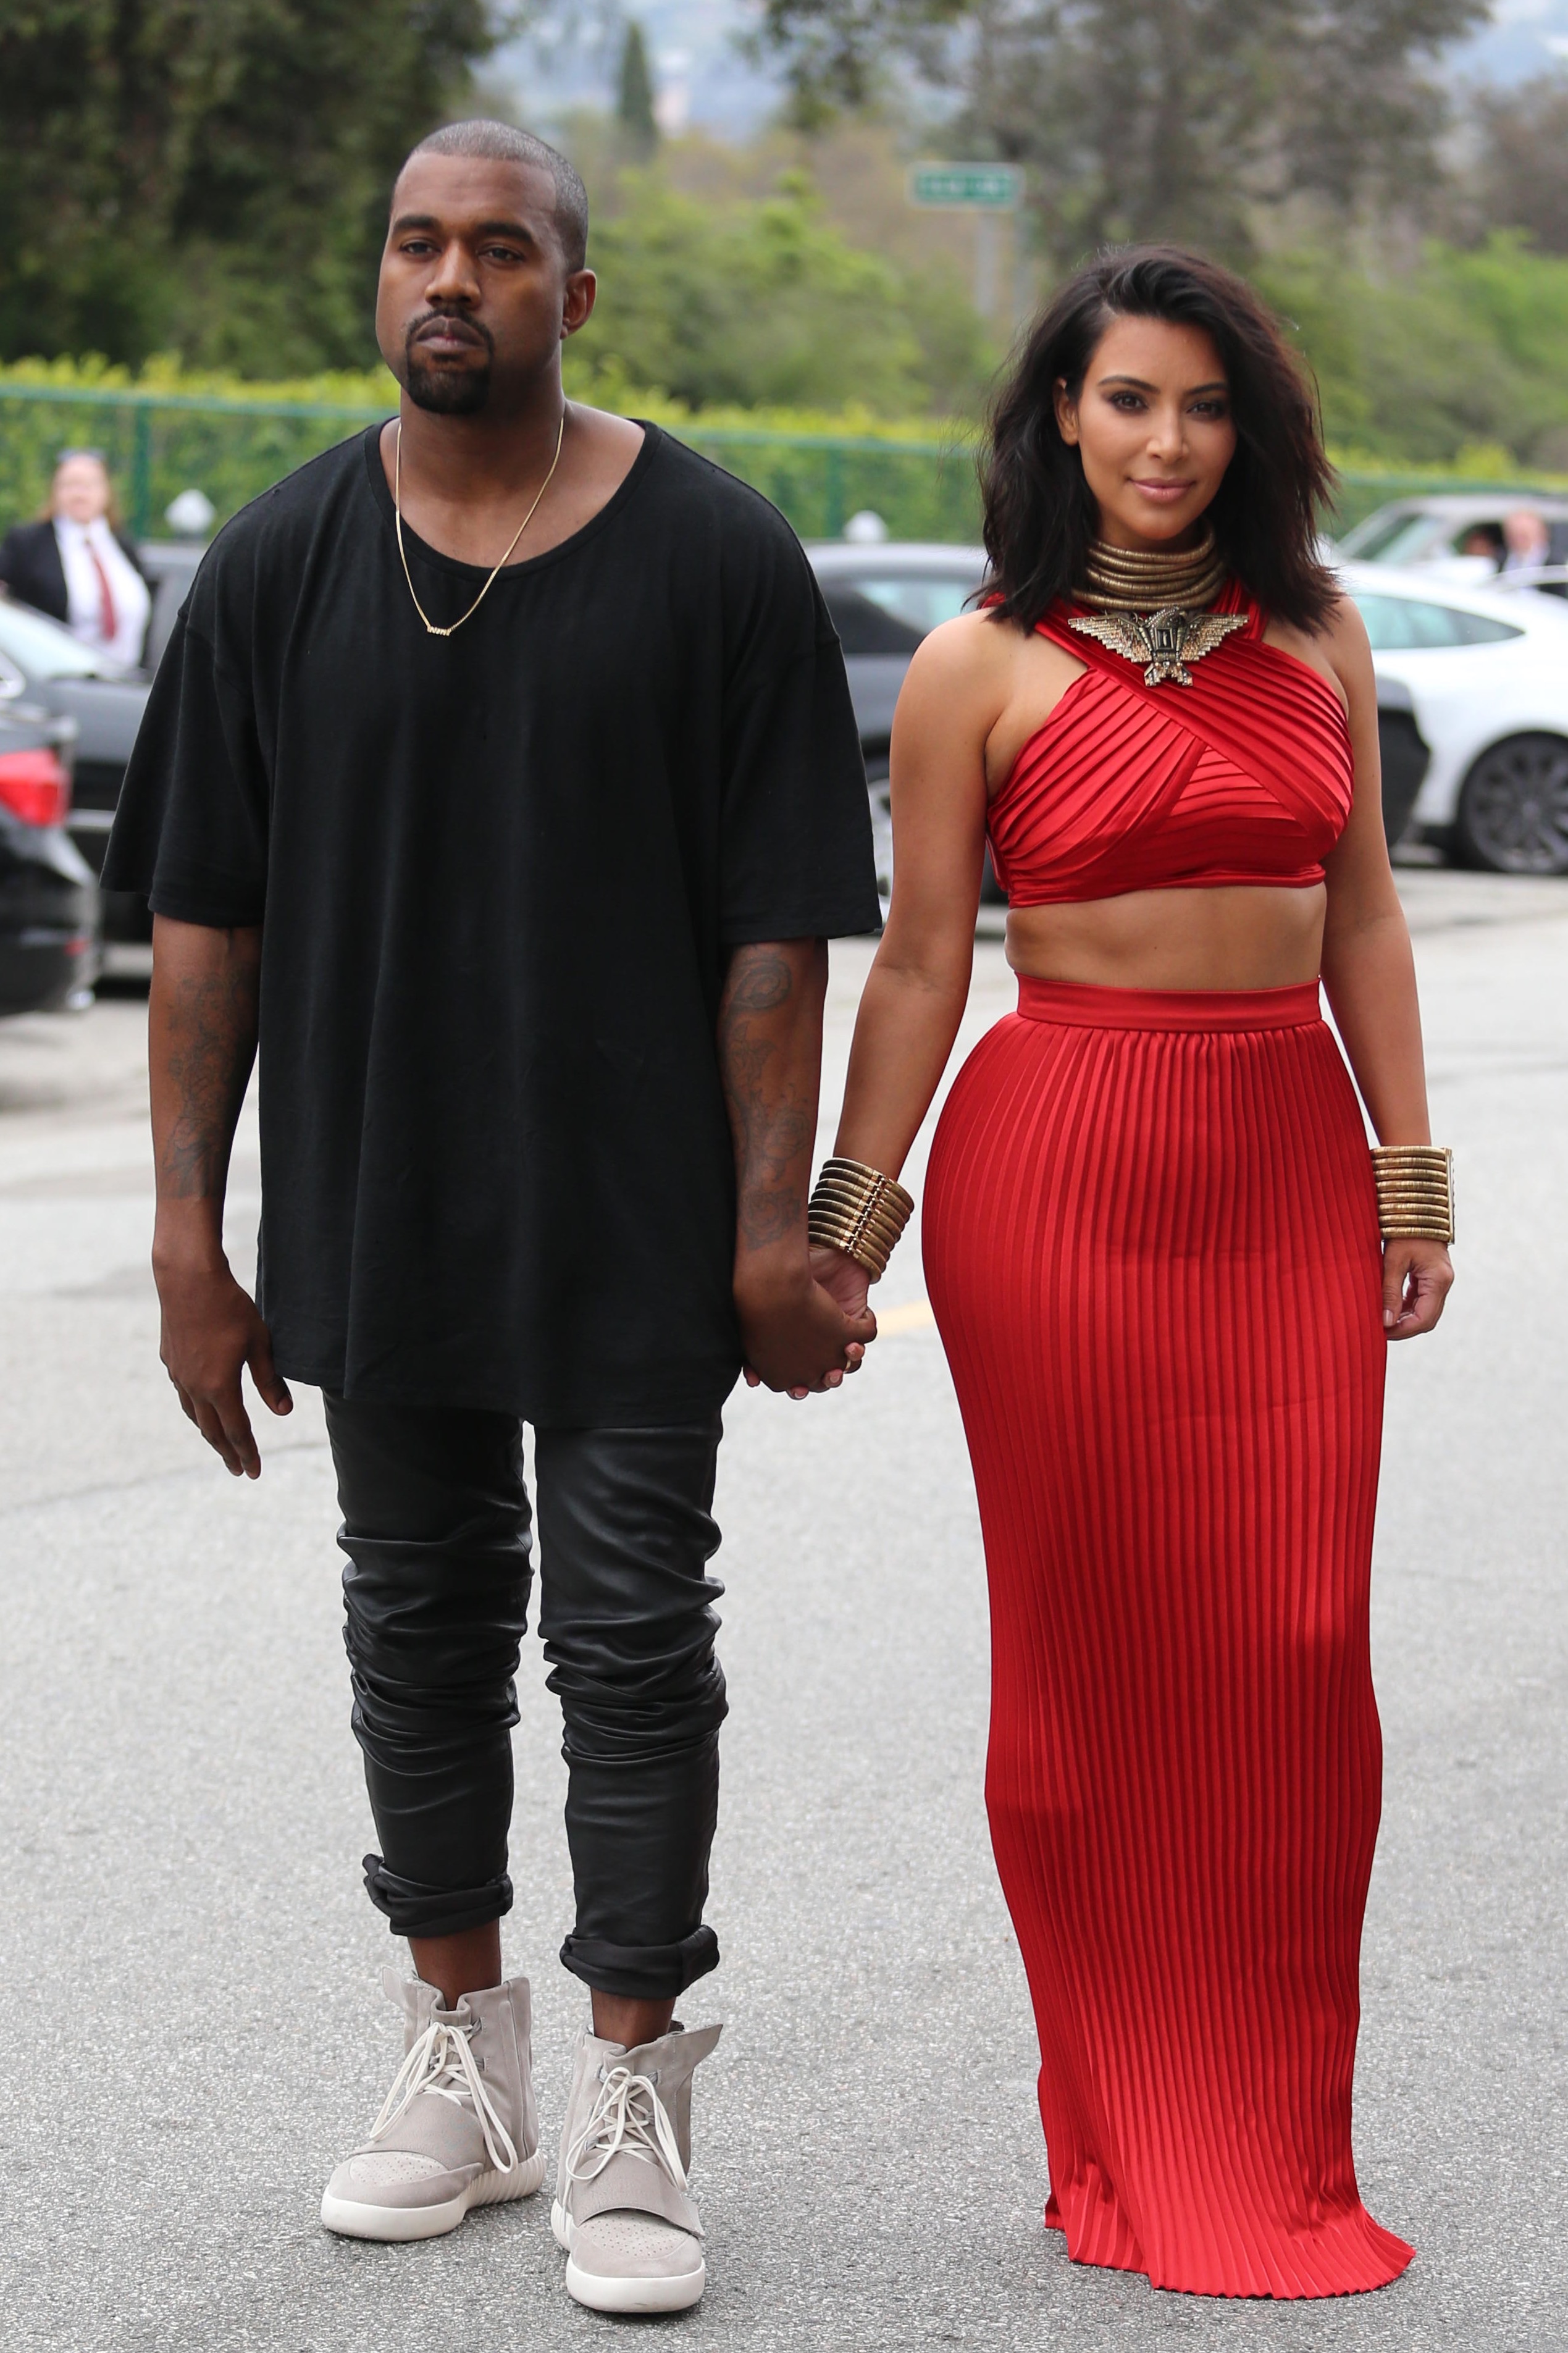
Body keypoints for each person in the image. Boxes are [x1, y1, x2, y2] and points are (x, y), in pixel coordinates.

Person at [101, 119, 879, 2316]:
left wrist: (773, 1225)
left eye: (503, 249)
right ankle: (464, 2051)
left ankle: (633, 2087)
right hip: (378, 1204)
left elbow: (778, 933)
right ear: (381, 278)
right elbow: (204, 921)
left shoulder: (718, 556)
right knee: (418, 1625)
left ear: (575, 293)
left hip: (636, 1223)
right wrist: (186, 1235)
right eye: (418, 243)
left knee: (629, 1643)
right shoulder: (276, 559)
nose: (453, 278)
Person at [811, 246, 1453, 2299]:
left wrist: (1408, 1180)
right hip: (1058, 1174)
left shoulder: (1321, 636)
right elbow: (920, 961)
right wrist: (847, 1224)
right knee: (1087, 1664)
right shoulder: (973, 665)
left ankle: (1271, 2138)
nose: (1164, 440)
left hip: (1284, 1166)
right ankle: (1111, 2127)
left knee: (1295, 1649)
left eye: (1201, 404)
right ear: (1060, 421)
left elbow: (1362, 916)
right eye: (1126, 401)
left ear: (1247, 430)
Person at [0, 448, 151, 665]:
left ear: (107, 491)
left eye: (90, 485)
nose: (80, 494)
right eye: (70, 485)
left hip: (126, 675)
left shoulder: (122, 546)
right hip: (55, 674)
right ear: (54, 491)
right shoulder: (28, 544)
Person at [1499, 507, 1550, 574]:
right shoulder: (1501, 562)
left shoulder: (1556, 564)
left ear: (1541, 533)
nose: (1518, 541)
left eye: (1523, 535)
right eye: (1513, 535)